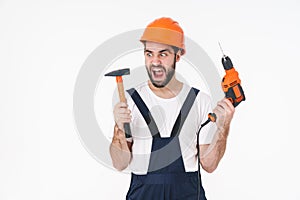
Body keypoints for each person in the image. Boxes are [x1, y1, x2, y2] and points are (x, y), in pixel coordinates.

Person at [109, 17, 235, 200]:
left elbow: (209, 164)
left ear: (178, 56)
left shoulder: (199, 101)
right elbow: (119, 163)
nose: (155, 62)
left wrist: (224, 126)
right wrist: (118, 129)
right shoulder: (129, 100)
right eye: (149, 53)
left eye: (163, 54)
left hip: (188, 193)